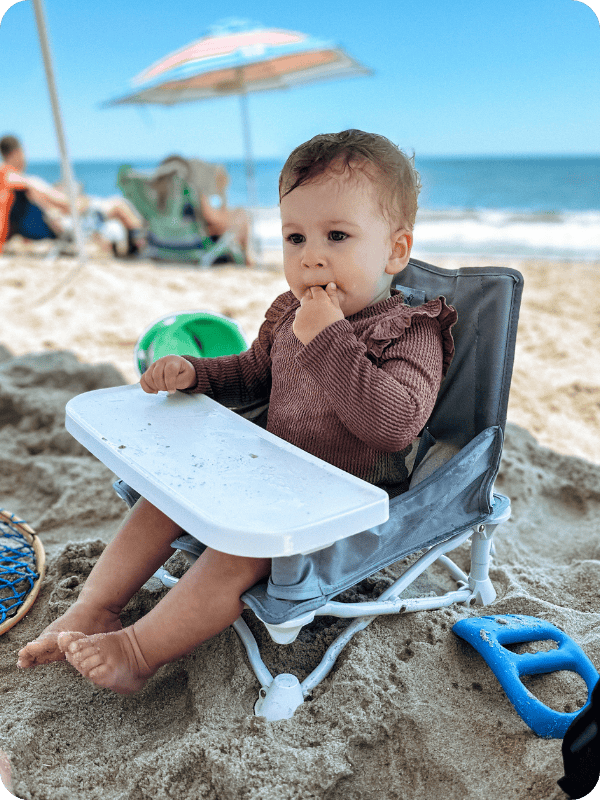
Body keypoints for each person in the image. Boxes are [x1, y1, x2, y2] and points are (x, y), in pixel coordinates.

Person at [17, 129, 457, 695]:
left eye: (337, 236)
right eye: (294, 238)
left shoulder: (411, 332)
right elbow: (255, 374)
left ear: (396, 251)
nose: (311, 256)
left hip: (345, 503)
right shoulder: (288, 311)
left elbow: (394, 424)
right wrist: (197, 374)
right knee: (164, 499)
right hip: (273, 470)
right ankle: (96, 607)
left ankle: (137, 651)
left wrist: (329, 339)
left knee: (235, 552)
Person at [0, 134, 144, 255]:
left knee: (110, 218)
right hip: (61, 227)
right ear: (17, 153)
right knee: (119, 205)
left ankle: (133, 248)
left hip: (35, 230)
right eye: (24, 153)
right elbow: (68, 205)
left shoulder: (5, 181)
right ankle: (141, 249)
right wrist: (84, 201)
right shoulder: (25, 181)